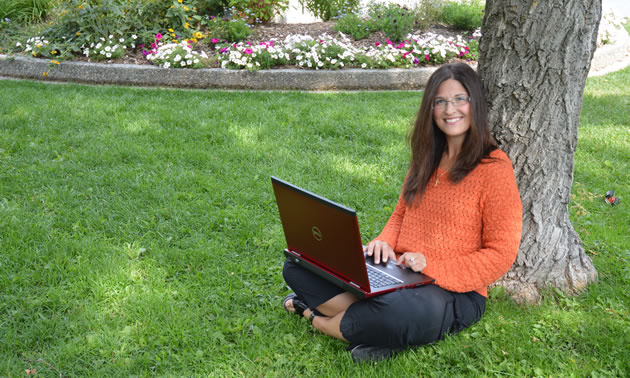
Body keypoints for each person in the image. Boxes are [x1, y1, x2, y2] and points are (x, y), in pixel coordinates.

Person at [281, 63, 523, 363]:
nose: (451, 110)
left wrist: (431, 267)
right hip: (399, 274)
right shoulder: (426, 157)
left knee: (398, 310)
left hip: (453, 292)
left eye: (461, 99)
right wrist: (384, 241)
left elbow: (500, 254)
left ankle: (312, 315)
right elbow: (400, 215)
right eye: (440, 101)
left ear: (476, 103)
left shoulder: (494, 168)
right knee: (298, 266)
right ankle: (371, 330)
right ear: (430, 109)